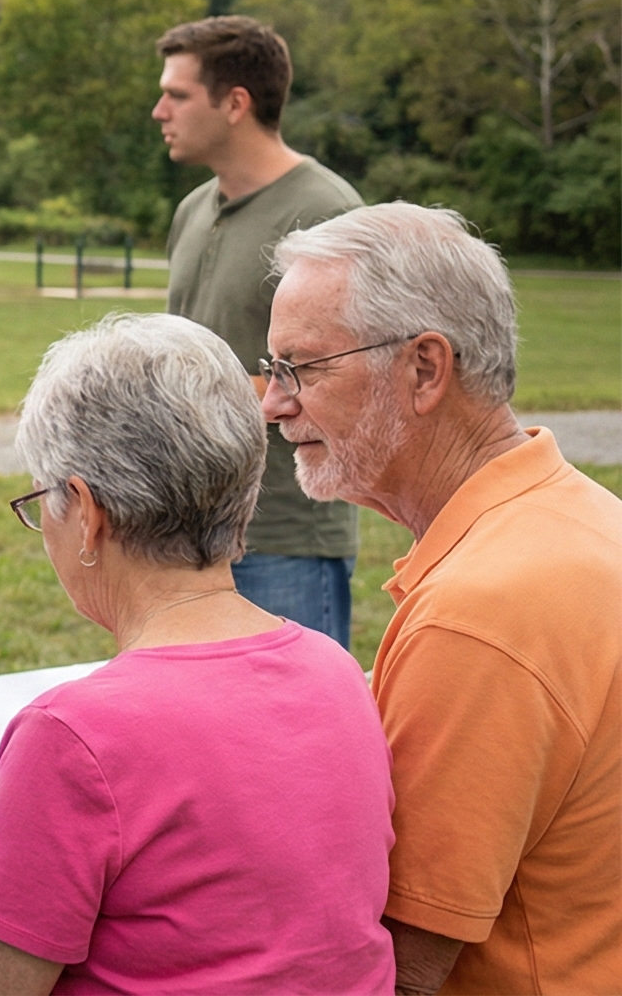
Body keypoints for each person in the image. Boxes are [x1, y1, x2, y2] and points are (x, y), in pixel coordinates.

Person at [0, 313, 394, 996]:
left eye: (42, 500)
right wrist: (38, 822)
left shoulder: (75, 736)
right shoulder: (336, 672)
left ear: (86, 513)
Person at [263, 203, 622, 995]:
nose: (272, 404)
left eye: (302, 367)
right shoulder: (576, 517)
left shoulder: (481, 610)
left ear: (425, 369)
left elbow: (395, 967)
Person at [152, 15, 364, 647]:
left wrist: (188, 395)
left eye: (178, 94)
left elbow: (352, 374)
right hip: (187, 532)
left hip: (286, 538)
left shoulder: (327, 213)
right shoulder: (193, 209)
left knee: (294, 740)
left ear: (236, 103)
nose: (159, 109)